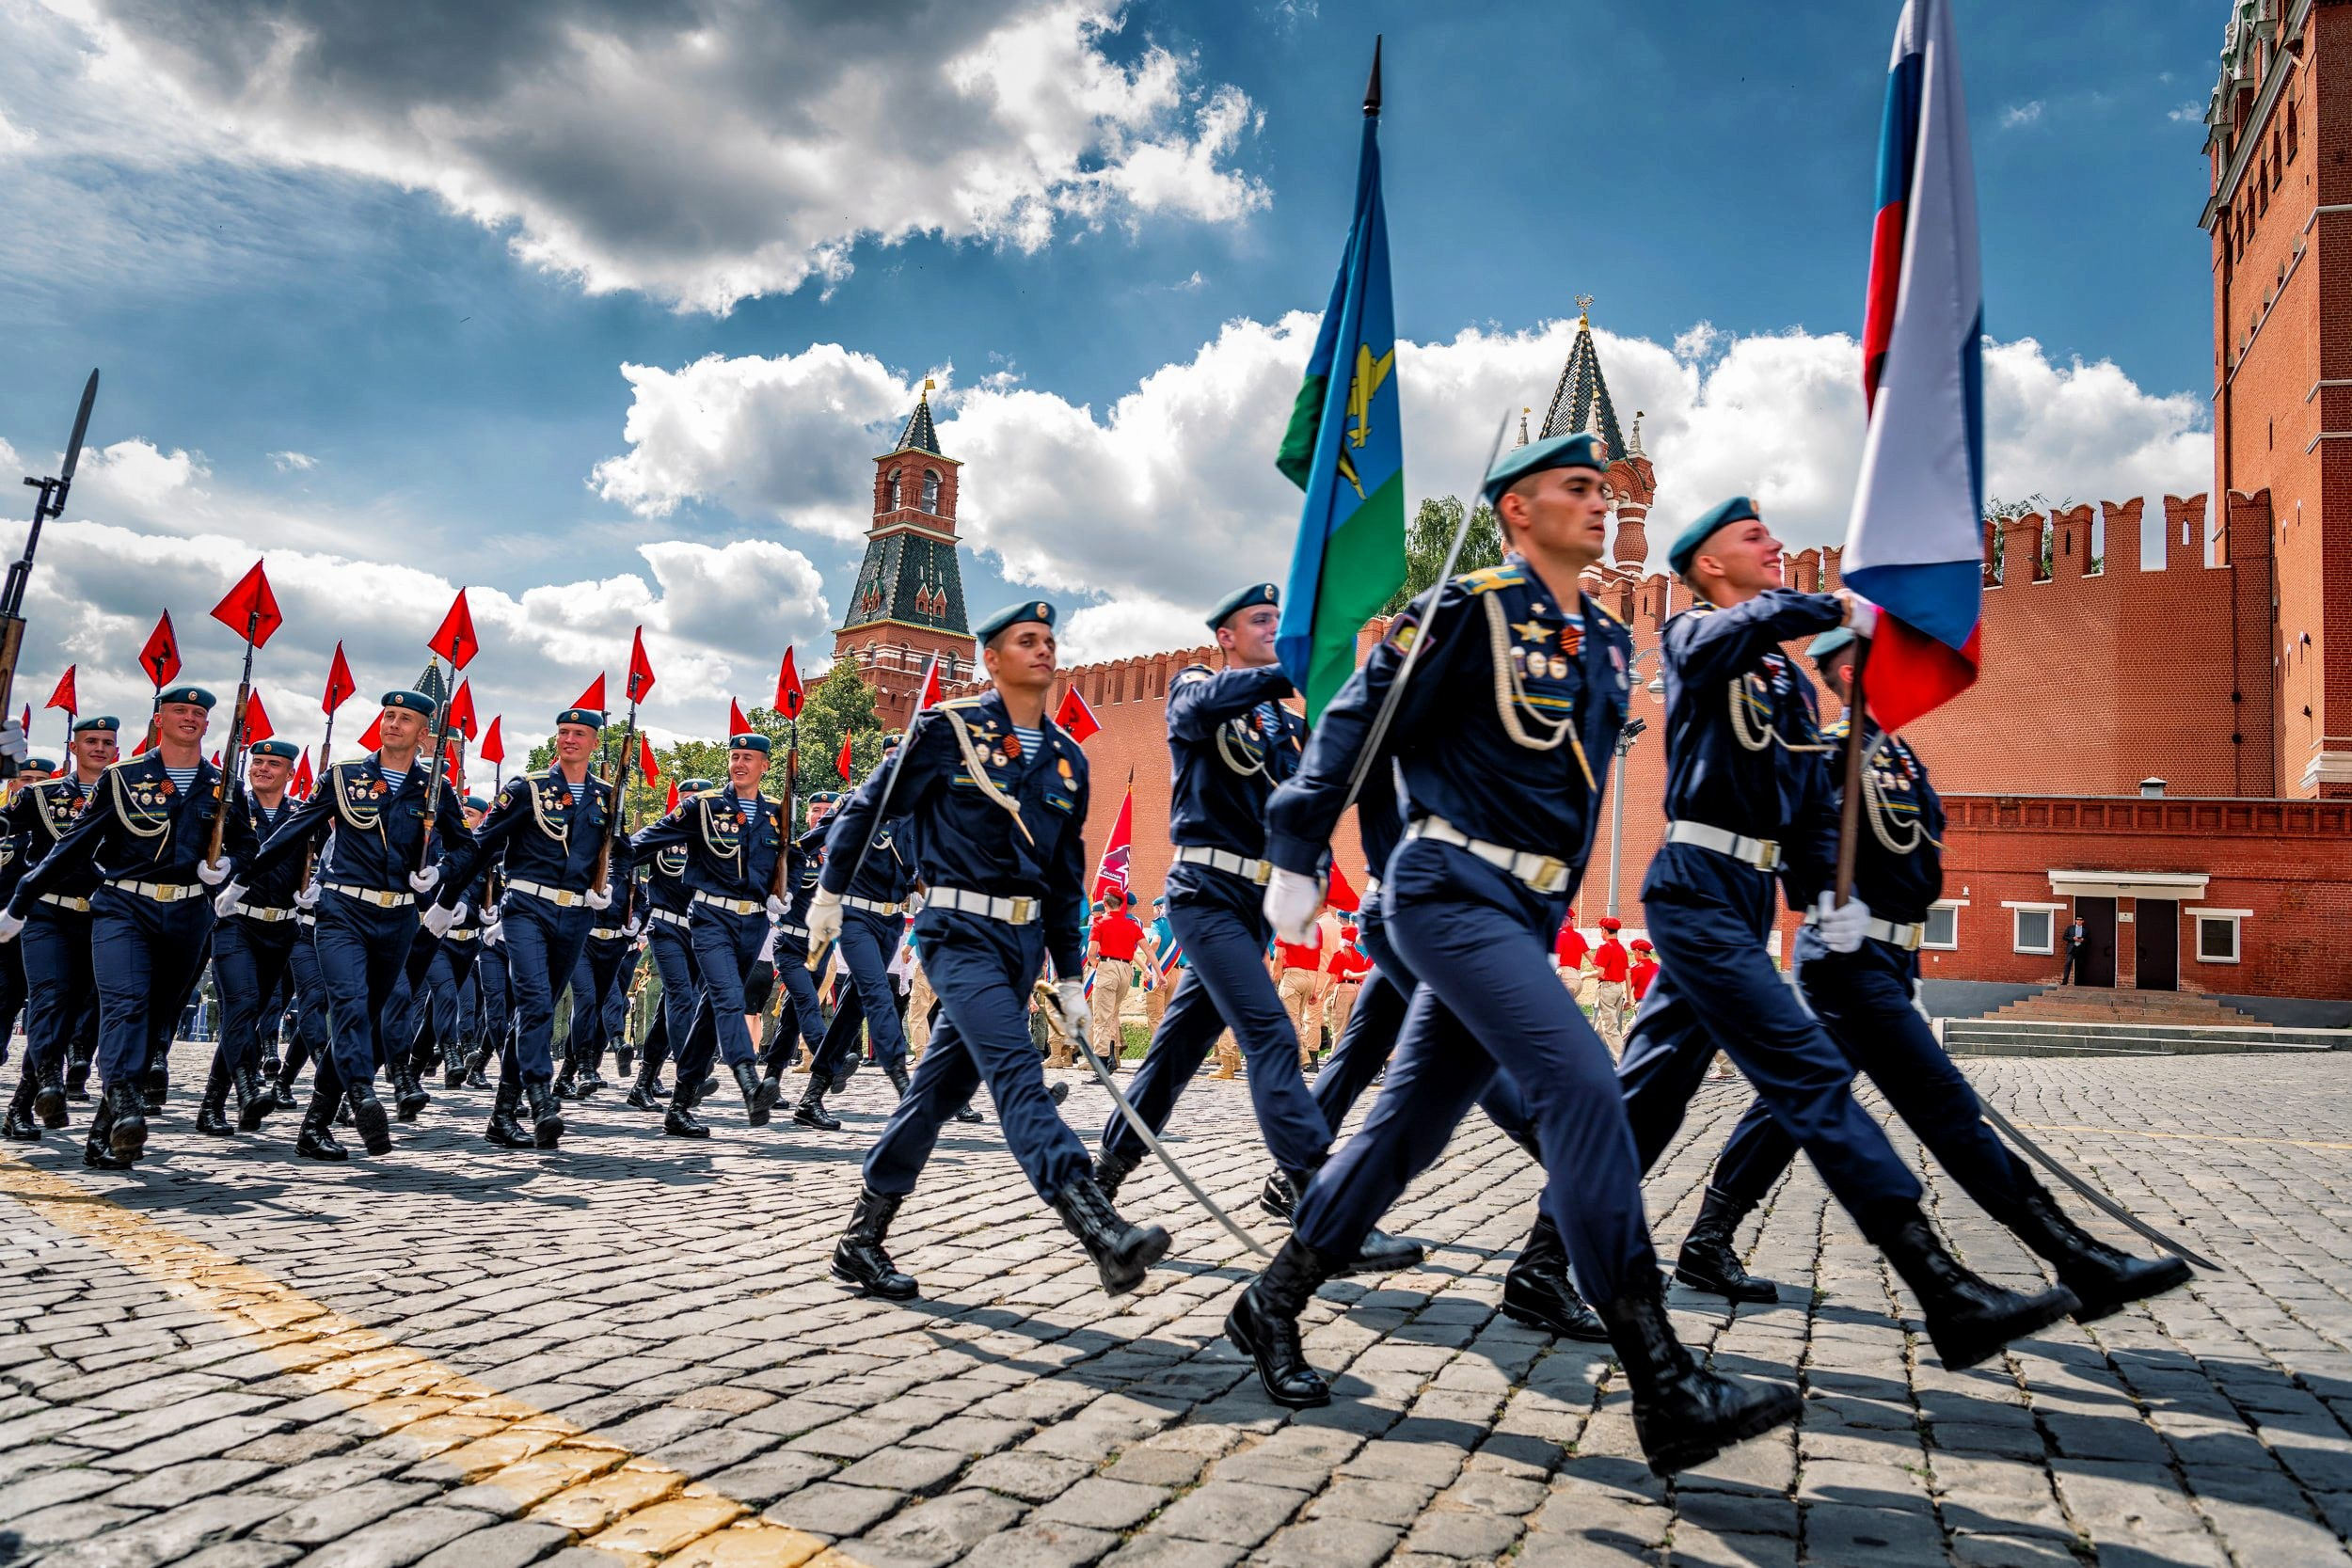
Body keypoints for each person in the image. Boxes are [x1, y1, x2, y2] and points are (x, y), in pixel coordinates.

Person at [1236, 433, 1796, 1476]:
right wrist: (1296, 846)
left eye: (1600, 489)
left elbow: (1577, 806)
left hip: (1517, 911)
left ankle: (1271, 1300)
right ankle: (1662, 1376)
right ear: (1515, 510)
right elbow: (1359, 714)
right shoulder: (1468, 608)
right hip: (1448, 890)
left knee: (1401, 1133)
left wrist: (1549, 914)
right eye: (1573, 489)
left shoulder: (1602, 641)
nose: (1596, 503)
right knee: (1583, 1086)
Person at [1615, 496, 2078, 1374]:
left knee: (1651, 1097)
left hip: (1751, 897)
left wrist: (1825, 900)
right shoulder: (1693, 636)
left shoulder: (1791, 683)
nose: (1778, 545)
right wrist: (1832, 605)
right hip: (1693, 883)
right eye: (1754, 538)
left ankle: (1548, 1258)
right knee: (1810, 1076)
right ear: (1711, 566)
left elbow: (1800, 810)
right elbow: (1719, 654)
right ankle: (1940, 1284)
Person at [1674, 628, 2191, 1321]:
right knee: (1948, 1113)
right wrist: (1822, 897)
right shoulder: (1831, 754)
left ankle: (1709, 1238)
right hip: (1847, 965)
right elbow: (1786, 829)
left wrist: (1905, 961)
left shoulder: (1899, 757)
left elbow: (1913, 868)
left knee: (1792, 1108)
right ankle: (2078, 1258)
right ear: (1856, 670)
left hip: (1881, 966)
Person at [818, 599, 1168, 1301]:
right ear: (992, 658)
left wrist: (1070, 976)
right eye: (1025, 640)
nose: (1042, 649)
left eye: (1049, 639)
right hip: (956, 932)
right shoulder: (950, 731)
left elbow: (1068, 877)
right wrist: (830, 891)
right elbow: (868, 806)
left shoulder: (1068, 760)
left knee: (936, 1094)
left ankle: (861, 1236)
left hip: (1021, 943)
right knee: (1017, 1072)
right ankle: (1097, 1225)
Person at [1091, 582, 1415, 1276]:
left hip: (1253, 906)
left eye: (1279, 619)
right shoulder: (1195, 689)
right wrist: (1290, 666)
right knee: (1269, 1032)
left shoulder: (1288, 728)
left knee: (1173, 1057)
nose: (1273, 627)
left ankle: (1098, 1191)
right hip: (1203, 893)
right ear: (1226, 636)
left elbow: (1315, 800)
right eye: (1259, 619)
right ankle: (1326, 1209)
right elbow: (1205, 707)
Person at [3, 687, 247, 1168]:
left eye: (198, 713)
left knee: (156, 1016)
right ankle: (125, 1099)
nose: (190, 718)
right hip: (123, 908)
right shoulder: (123, 779)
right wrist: (20, 900)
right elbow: (71, 847)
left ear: (208, 725)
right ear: (159, 718)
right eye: (180, 710)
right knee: (124, 1005)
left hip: (187, 914)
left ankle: (106, 1133)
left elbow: (248, 843)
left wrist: (231, 865)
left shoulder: (222, 786)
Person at [241, 689, 476, 1159]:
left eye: (404, 719)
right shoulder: (345, 777)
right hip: (342, 909)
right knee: (348, 1003)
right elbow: (295, 829)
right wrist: (244, 878)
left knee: (366, 1019)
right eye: (388, 715)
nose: (393, 724)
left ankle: (314, 1126)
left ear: (423, 733)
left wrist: (441, 874)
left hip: (397, 917)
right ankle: (364, 1094)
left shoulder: (434, 790)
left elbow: (467, 848)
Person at [417, 704, 611, 1150]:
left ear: (594, 742)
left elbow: (615, 850)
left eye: (579, 734)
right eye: (563, 731)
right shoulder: (529, 788)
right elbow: (483, 846)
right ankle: (541, 1098)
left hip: (577, 914)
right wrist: (446, 896)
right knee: (536, 1001)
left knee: (531, 1012)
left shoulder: (605, 796)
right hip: (526, 908)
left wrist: (611, 886)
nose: (569, 739)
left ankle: (503, 1115)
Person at [625, 732, 789, 1136]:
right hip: (710, 918)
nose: (739, 764)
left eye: (748, 758)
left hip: (753, 924)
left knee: (709, 1011)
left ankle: (679, 1106)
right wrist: (598, 859)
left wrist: (787, 895)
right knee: (728, 995)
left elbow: (793, 859)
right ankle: (750, 1083)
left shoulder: (776, 812)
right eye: (734, 756)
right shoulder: (704, 807)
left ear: (765, 766)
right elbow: (647, 841)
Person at [6, 716, 112, 1133]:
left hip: (99, 915)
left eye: (106, 742)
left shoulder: (130, 796)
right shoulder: (43, 795)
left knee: (70, 1013)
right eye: (91, 741)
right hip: (47, 912)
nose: (99, 748)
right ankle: (50, 1076)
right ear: (74, 747)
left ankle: (21, 1105)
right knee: (49, 996)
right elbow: (4, 827)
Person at [199, 737, 305, 1137]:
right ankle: (248, 1086)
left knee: (250, 1015)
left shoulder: (300, 815)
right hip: (235, 921)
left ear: (290, 772)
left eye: (273, 764)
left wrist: (313, 888)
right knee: (240, 1006)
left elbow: (326, 859)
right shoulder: (229, 810)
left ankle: (212, 1106)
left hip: (281, 927)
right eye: (257, 761)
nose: (262, 769)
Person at [1086, 893, 1145, 1069]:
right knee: (1112, 1016)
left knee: (1101, 1019)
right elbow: (1139, 949)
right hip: (1125, 969)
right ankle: (1114, 1056)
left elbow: (1091, 952)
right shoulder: (1134, 923)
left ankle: (1103, 1062)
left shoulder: (1100, 924)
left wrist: (1095, 963)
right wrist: (1148, 968)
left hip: (1106, 969)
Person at [1272, 918, 1326, 1069]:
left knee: (1290, 1020)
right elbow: (1317, 957)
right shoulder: (1316, 927)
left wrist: (1274, 980)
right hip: (1310, 976)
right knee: (1299, 1020)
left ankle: (1302, 1054)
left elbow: (1278, 956)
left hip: (1292, 975)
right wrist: (1313, 987)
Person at [1591, 916, 1630, 1052]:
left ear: (1604, 930)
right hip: (1618, 989)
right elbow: (1627, 975)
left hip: (1607, 988)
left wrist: (1584, 975)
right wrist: (1629, 998)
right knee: (1601, 1028)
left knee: (1609, 1029)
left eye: (1601, 930)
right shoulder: (1621, 949)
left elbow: (1600, 972)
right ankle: (1593, 1056)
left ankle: (1623, 1061)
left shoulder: (1604, 948)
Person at [1554, 913, 1588, 994]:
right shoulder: (1579, 936)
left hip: (1565, 977)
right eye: (1573, 919)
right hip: (1577, 979)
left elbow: (1555, 959)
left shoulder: (1560, 935)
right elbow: (1593, 960)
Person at [2058, 914, 2088, 985]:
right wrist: (2072, 938)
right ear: (2075, 921)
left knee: (2078, 966)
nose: (2079, 921)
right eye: (2078, 920)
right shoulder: (2070, 928)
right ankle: (2065, 981)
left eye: (2081, 920)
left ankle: (2077, 983)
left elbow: (2089, 940)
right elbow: (2064, 937)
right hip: (2071, 949)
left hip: (2080, 949)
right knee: (2068, 963)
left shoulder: (2086, 930)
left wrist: (2083, 940)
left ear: (2083, 921)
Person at [1629, 938, 1659, 1004]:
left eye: (1634, 953)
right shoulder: (1657, 967)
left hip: (1642, 1003)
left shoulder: (1636, 968)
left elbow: (1628, 987)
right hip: (1657, 1002)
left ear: (1637, 951)